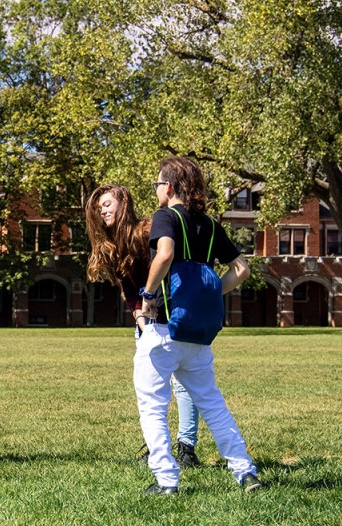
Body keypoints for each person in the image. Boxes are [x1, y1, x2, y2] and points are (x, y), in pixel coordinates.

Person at [135, 157, 261, 494]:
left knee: (153, 404)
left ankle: (165, 480)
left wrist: (147, 295)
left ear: (170, 187)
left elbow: (164, 254)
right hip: (198, 335)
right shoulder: (210, 224)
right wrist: (210, 291)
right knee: (212, 403)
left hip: (164, 329)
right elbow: (242, 269)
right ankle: (245, 472)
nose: (157, 190)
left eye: (158, 184)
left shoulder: (165, 217)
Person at [85, 185, 203, 471]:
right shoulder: (113, 244)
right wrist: (141, 321)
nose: (102, 210)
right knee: (151, 389)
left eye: (107, 203)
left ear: (123, 203)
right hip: (147, 322)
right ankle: (157, 446)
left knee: (184, 384)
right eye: (99, 207)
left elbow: (170, 266)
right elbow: (128, 289)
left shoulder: (148, 230)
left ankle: (186, 448)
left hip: (176, 316)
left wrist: (158, 311)